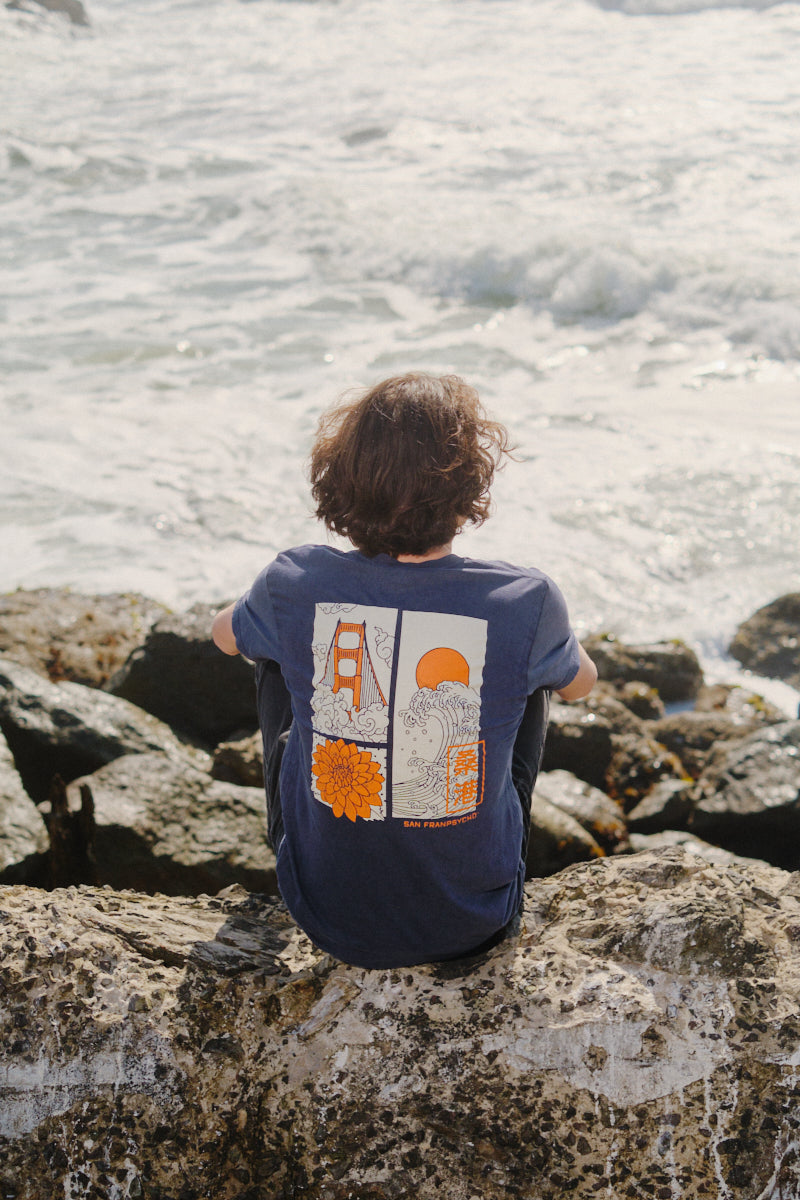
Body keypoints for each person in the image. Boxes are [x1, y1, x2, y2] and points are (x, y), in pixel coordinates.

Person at [212, 373, 596, 969]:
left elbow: (221, 636)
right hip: (470, 919)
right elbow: (583, 683)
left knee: (266, 645)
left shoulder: (295, 579)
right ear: (469, 483)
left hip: (324, 912)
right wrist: (550, 643)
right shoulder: (524, 598)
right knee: (535, 674)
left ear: (343, 474)